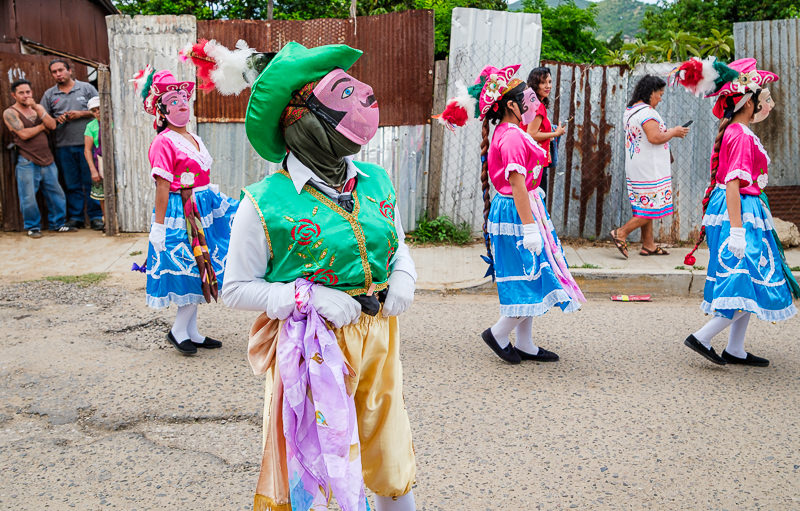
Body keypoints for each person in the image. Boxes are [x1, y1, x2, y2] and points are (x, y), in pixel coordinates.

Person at [187, 40, 418, 510]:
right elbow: (235, 288)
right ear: (302, 118)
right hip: (311, 345)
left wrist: (405, 275)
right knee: (311, 464)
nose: (363, 103)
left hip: (380, 338)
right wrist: (306, 298)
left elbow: (397, 243)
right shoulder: (263, 203)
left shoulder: (377, 179)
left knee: (389, 449)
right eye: (340, 95)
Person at [435, 64, 585, 365]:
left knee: (531, 273)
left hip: (523, 206)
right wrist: (530, 227)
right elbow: (517, 182)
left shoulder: (508, 131)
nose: (530, 103)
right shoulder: (513, 137)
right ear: (511, 105)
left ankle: (526, 343)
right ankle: (498, 333)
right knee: (529, 276)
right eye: (524, 98)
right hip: (518, 211)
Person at [674, 57, 796, 366]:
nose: (766, 104)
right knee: (747, 276)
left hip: (741, 209)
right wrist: (738, 232)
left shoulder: (737, 132)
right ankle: (702, 337)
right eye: (762, 98)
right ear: (747, 103)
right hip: (737, 211)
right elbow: (732, 184)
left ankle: (735, 349)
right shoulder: (740, 136)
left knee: (745, 280)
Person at [131, 67, 239, 356]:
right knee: (191, 268)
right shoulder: (163, 142)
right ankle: (179, 330)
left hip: (203, 207)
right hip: (181, 211)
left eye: (183, 99)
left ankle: (192, 330)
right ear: (162, 111)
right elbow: (163, 187)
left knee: (204, 265)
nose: (181, 104)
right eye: (173, 101)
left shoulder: (193, 137)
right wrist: (159, 226)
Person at [610, 75, 689, 258]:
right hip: (649, 167)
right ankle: (621, 233)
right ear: (650, 92)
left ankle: (649, 245)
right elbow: (654, 137)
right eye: (659, 94)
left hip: (637, 165)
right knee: (653, 207)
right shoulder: (647, 112)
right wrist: (674, 132)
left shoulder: (630, 110)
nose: (660, 98)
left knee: (645, 204)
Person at [3, 79, 74, 237]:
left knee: (57, 194)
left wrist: (37, 108)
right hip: (27, 160)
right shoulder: (10, 113)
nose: (26, 96)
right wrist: (42, 126)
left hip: (47, 159)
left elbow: (53, 125)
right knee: (28, 197)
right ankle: (33, 227)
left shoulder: (37, 108)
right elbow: (23, 134)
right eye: (21, 93)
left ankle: (58, 224)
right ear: (14, 95)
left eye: (28, 92)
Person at [40, 58, 104, 231]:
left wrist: (81, 113)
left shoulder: (86, 88)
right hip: (64, 145)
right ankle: (76, 217)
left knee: (92, 180)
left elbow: (102, 110)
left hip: (89, 145)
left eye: (61, 70)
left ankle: (96, 217)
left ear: (69, 70)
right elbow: (45, 119)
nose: (58, 74)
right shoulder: (50, 95)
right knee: (72, 183)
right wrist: (56, 119)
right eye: (54, 72)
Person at [523, 66, 565, 199]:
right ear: (535, 84)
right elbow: (531, 134)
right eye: (543, 82)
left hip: (528, 158)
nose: (548, 86)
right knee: (537, 201)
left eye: (550, 82)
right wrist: (555, 134)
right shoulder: (538, 106)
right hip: (535, 161)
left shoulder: (530, 102)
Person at [83, 96, 104, 216]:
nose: (97, 113)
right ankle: (107, 220)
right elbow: (87, 150)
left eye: (99, 109)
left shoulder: (115, 122)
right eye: (94, 111)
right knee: (103, 196)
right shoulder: (91, 126)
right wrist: (93, 170)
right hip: (100, 162)